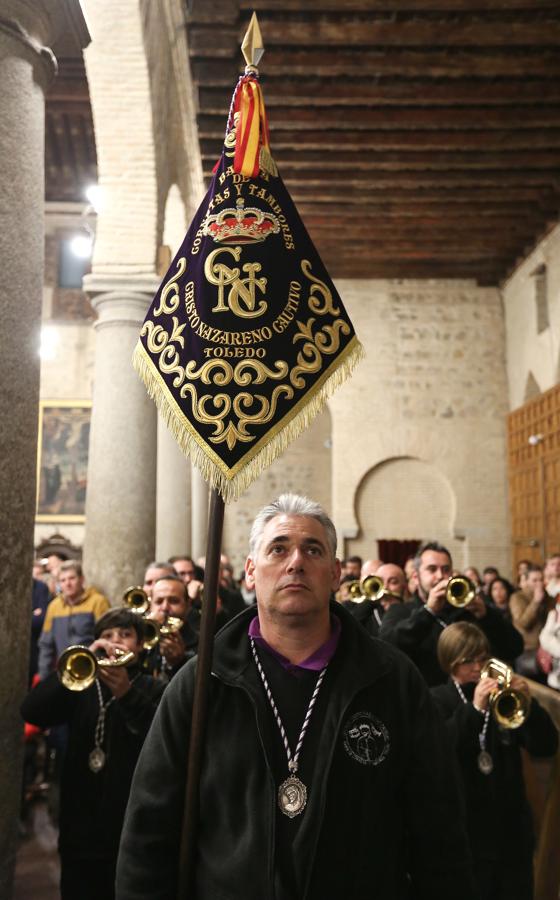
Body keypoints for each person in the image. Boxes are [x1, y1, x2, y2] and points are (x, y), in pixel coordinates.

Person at [117, 494, 476, 900]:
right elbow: (149, 831)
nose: (296, 563)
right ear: (251, 572)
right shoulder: (202, 683)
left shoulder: (392, 679)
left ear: (335, 574)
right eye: (278, 549)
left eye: (313, 550)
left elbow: (439, 830)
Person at [21, 608, 166, 900]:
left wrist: (126, 694)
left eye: (125, 635)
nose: (115, 641)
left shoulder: (154, 688)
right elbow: (32, 711)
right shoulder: (82, 684)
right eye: (107, 635)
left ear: (140, 645)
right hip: (79, 822)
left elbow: (160, 740)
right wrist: (80, 660)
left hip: (127, 823)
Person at [431, 622, 558, 900]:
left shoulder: (503, 695)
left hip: (511, 830)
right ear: (450, 663)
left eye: (483, 658)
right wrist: (474, 709)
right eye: (468, 661)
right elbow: (440, 751)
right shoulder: (438, 699)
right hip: (467, 832)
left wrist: (530, 706)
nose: (478, 667)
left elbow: (546, 745)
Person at [380, 542, 523, 686]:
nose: (440, 576)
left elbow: (514, 648)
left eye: (446, 569)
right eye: (432, 569)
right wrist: (428, 612)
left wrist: (486, 615)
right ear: (416, 577)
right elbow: (387, 650)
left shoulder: (466, 609)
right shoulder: (400, 610)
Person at [37, 560, 110, 679]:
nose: (68, 584)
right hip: (64, 672)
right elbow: (46, 644)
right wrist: (43, 676)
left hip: (92, 671)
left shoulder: (98, 602)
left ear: (81, 579)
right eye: (63, 580)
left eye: (72, 578)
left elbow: (107, 639)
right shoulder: (54, 606)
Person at [143, 575, 199, 680]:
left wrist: (179, 662)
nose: (165, 608)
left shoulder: (201, 645)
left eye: (174, 601)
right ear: (150, 606)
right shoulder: (141, 639)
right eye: (159, 601)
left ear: (187, 605)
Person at [510, 564, 554, 678]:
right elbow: (524, 623)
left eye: (541, 579)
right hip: (528, 650)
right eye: (534, 580)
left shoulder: (548, 597)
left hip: (548, 649)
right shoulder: (517, 597)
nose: (539, 583)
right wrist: (536, 601)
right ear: (526, 581)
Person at [346, 562, 406, 638]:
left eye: (393, 582)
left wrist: (394, 607)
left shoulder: (411, 610)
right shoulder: (368, 612)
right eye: (381, 581)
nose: (385, 587)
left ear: (404, 586)